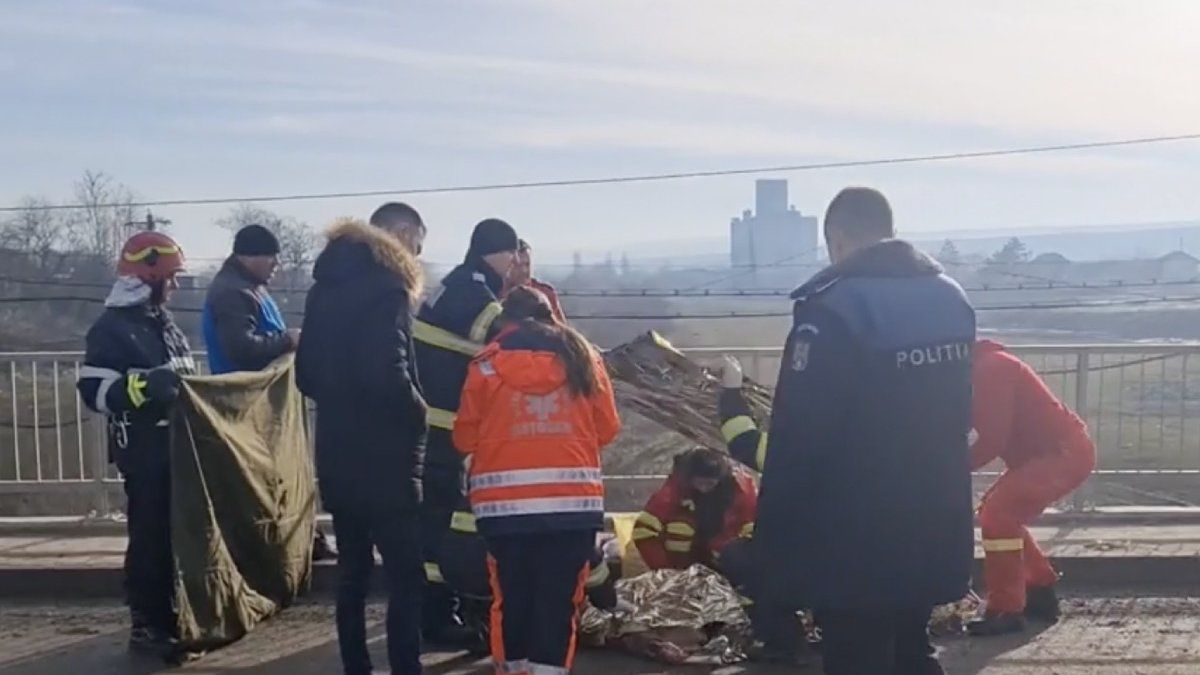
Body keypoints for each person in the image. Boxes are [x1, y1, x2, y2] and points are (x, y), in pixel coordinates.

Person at [755, 187, 975, 675]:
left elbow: (801, 437)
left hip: (857, 532)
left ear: (835, 241)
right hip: (934, 516)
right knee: (912, 650)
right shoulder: (950, 298)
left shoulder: (835, 308)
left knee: (858, 654)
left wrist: (774, 541)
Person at [453, 286, 621, 675]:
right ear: (551, 316)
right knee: (558, 603)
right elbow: (607, 428)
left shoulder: (486, 365)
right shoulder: (584, 359)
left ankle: (514, 670)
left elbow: (464, 438)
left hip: (504, 512)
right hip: (572, 509)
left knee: (512, 600)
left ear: (504, 321)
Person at [295, 206, 428, 675]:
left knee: (352, 573)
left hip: (337, 451)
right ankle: (405, 667)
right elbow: (388, 371)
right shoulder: (388, 290)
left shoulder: (323, 289)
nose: (417, 254)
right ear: (402, 234)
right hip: (387, 457)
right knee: (406, 575)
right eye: (417, 243)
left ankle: (357, 667)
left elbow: (305, 374)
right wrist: (419, 412)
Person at [77, 230, 195, 660]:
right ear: (149, 275)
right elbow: (94, 390)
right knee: (150, 538)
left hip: (174, 448)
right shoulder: (112, 329)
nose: (175, 286)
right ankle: (148, 623)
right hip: (144, 452)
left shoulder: (161, 323)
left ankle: (173, 614)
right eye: (171, 277)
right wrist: (145, 386)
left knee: (173, 537)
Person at [413, 217, 521, 644]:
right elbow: (510, 338)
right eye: (512, 253)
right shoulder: (475, 296)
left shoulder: (458, 284)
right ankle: (438, 617)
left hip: (438, 426)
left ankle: (443, 610)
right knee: (444, 522)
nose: (514, 262)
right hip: (443, 430)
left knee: (441, 519)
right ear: (497, 252)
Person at [201, 224, 336, 562]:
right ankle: (289, 546)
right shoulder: (233, 293)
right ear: (248, 257)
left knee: (281, 476)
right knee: (271, 478)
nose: (276, 264)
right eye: (270, 257)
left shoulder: (248, 288)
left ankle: (302, 541)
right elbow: (242, 349)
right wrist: (288, 340)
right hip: (250, 403)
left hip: (265, 401)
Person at [967, 339, 1096, 636]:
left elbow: (992, 439)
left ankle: (1006, 609)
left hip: (1061, 455)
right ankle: (1038, 591)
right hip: (1056, 453)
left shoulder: (991, 368)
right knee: (998, 515)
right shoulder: (986, 366)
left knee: (999, 515)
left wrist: (952, 469)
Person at [632, 447, 756, 571]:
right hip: (684, 557)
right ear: (690, 478)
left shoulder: (740, 488)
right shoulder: (675, 487)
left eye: (709, 484)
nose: (704, 489)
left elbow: (752, 525)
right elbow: (643, 529)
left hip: (724, 552)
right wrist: (664, 570)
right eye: (700, 483)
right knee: (680, 527)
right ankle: (681, 572)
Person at [504, 238, 566, 323]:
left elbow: (560, 327)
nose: (524, 270)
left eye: (527, 264)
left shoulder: (545, 293)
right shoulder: (496, 293)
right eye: (518, 265)